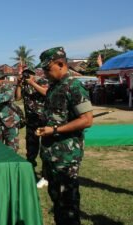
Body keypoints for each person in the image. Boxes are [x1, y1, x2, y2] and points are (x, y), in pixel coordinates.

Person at [35, 47, 93, 225]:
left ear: (60, 64)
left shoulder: (74, 87)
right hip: (51, 154)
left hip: (66, 156)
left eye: (47, 68)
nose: (45, 73)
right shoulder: (54, 88)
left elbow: (87, 119)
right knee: (57, 200)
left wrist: (54, 130)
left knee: (68, 204)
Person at [15, 67, 49, 186]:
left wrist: (32, 83)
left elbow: (46, 93)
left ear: (34, 75)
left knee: (45, 149)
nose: (27, 77)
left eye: (29, 75)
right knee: (31, 149)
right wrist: (19, 85)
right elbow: (17, 98)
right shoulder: (24, 85)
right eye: (25, 75)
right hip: (31, 122)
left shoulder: (42, 81)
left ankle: (45, 176)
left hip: (44, 121)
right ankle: (31, 172)